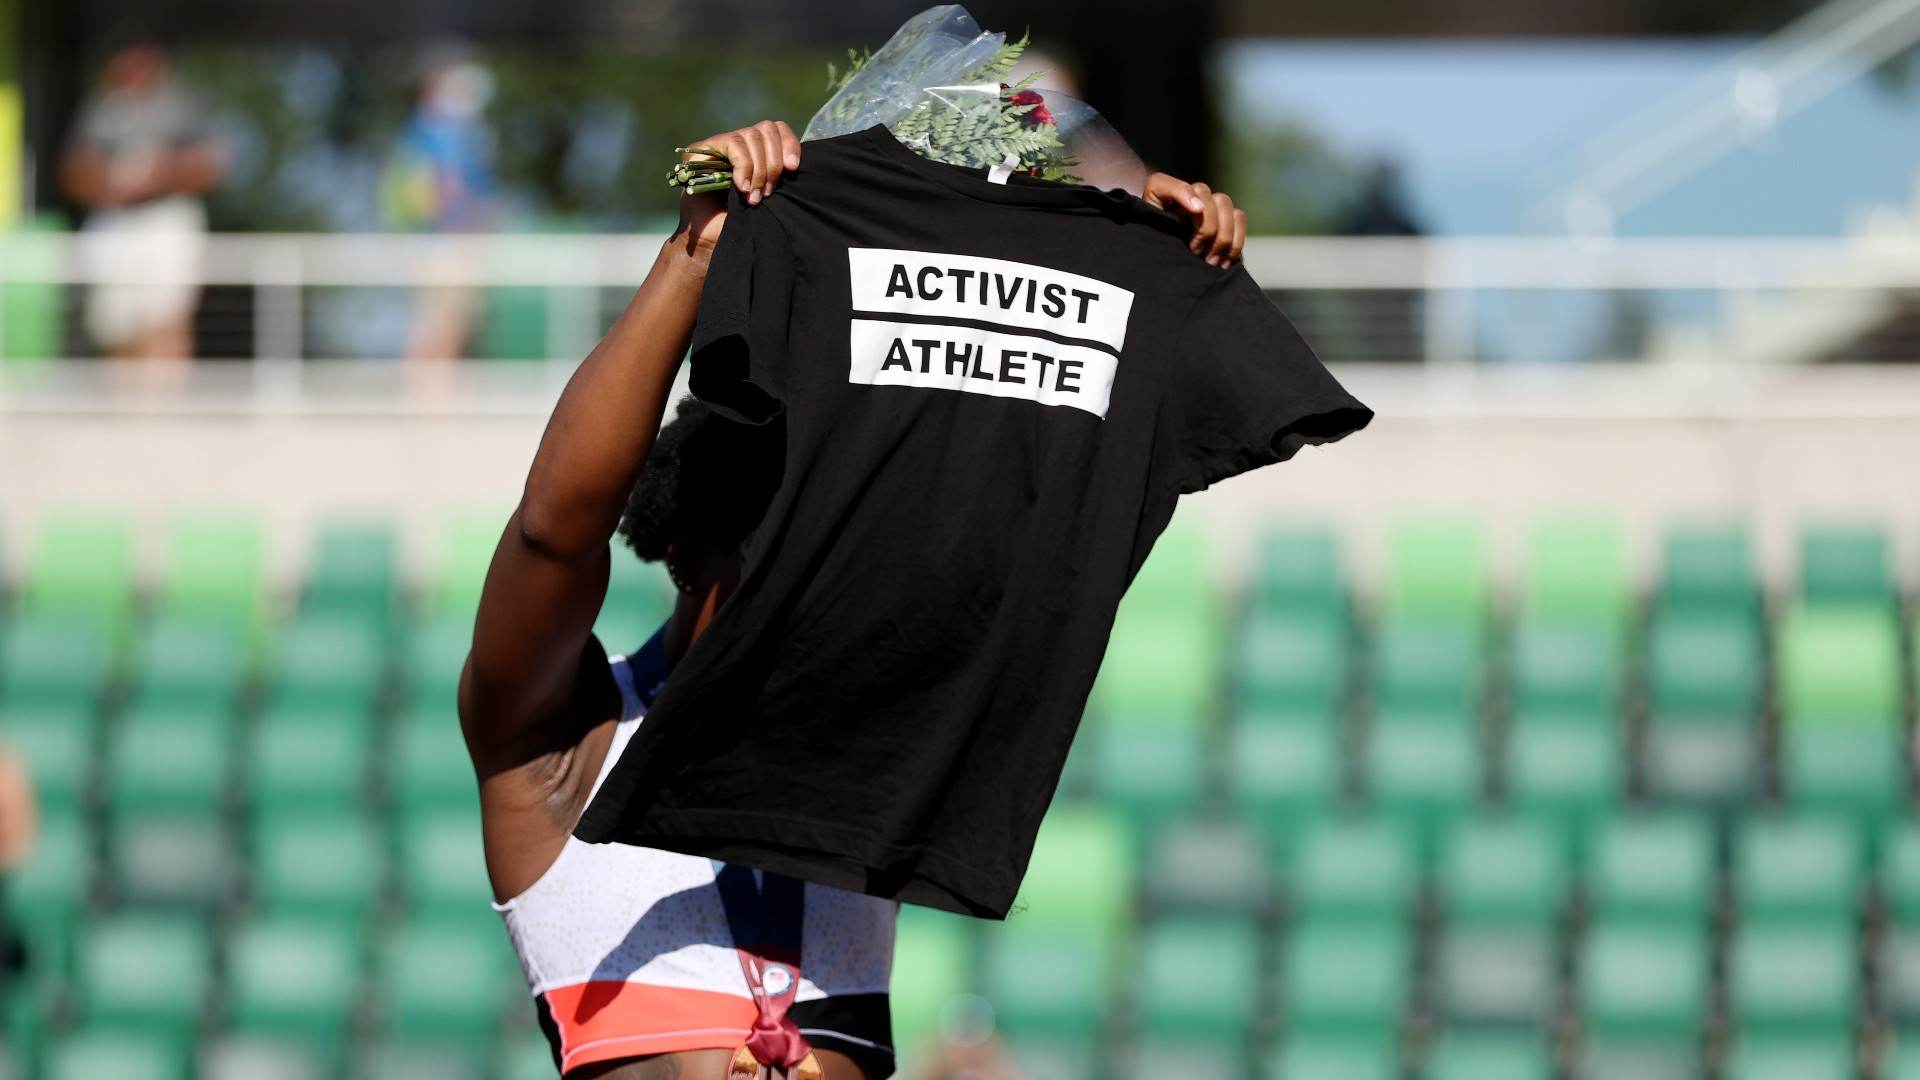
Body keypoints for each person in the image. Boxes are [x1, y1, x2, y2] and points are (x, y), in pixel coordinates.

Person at [460, 120, 1250, 1079]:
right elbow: (555, 532)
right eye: (774, 529)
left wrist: (1121, 246)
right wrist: (697, 253)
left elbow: (1014, 491)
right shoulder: (561, 745)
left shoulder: (877, 729)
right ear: (684, 546)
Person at [60, 42, 225, 361]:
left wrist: (160, 174)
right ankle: (121, 408)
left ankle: (162, 407)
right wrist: (108, 182)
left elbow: (211, 164)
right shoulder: (101, 109)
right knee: (115, 327)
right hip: (113, 223)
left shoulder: (182, 105)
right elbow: (73, 170)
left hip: (165, 223)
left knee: (164, 321)